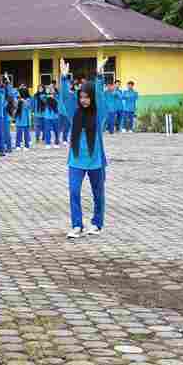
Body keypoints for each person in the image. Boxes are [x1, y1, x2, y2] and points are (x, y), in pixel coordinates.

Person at [58, 60, 106, 239]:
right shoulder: (74, 112)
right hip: (76, 161)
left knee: (98, 194)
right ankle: (77, 225)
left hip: (96, 161)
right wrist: (63, 77)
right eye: (81, 97)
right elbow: (64, 97)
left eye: (87, 97)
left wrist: (99, 75)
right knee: (74, 191)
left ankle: (97, 223)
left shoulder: (99, 112)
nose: (83, 100)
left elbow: (101, 96)